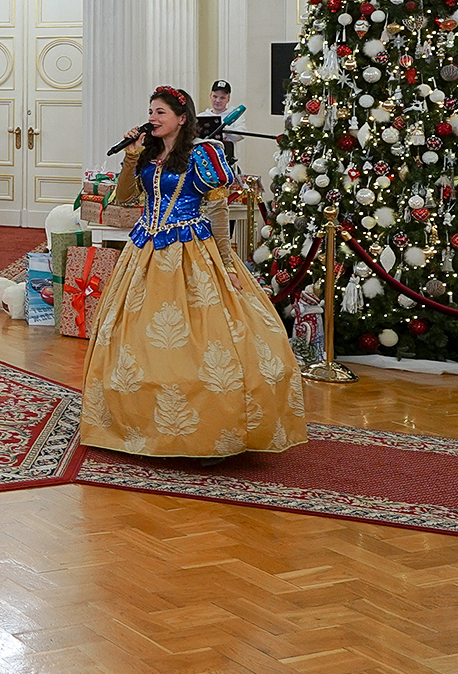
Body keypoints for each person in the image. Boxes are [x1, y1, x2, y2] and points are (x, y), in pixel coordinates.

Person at [80, 88, 305, 460]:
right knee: (137, 345)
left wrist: (230, 266)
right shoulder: (146, 155)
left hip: (192, 254)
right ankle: (137, 424)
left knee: (208, 343)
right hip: (145, 254)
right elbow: (122, 199)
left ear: (181, 118)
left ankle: (210, 430)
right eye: (150, 111)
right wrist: (131, 157)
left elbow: (217, 219)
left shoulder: (203, 155)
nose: (152, 118)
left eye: (161, 112)